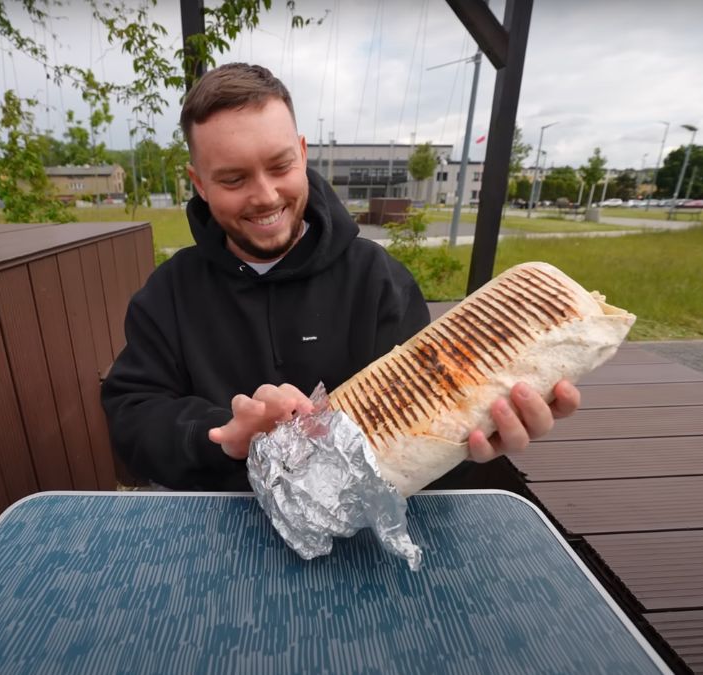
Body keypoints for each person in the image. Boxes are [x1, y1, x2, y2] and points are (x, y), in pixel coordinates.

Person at [101, 63, 579, 491]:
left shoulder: (379, 282)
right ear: (200, 183)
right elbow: (131, 414)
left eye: (280, 166)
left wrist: (475, 441)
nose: (265, 195)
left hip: (363, 532)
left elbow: (431, 434)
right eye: (233, 179)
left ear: (302, 153)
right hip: (216, 523)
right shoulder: (169, 292)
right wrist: (223, 434)